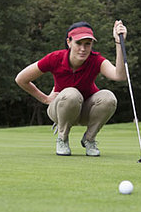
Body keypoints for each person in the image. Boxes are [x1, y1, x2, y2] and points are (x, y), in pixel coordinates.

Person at [15, 20, 128, 156]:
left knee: (108, 97)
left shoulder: (96, 60)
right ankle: (62, 138)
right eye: (78, 43)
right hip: (59, 109)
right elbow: (21, 79)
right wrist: (45, 99)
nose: (83, 49)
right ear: (69, 42)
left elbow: (120, 75)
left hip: (86, 110)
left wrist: (119, 42)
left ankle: (89, 139)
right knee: (71, 94)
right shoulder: (55, 58)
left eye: (88, 44)